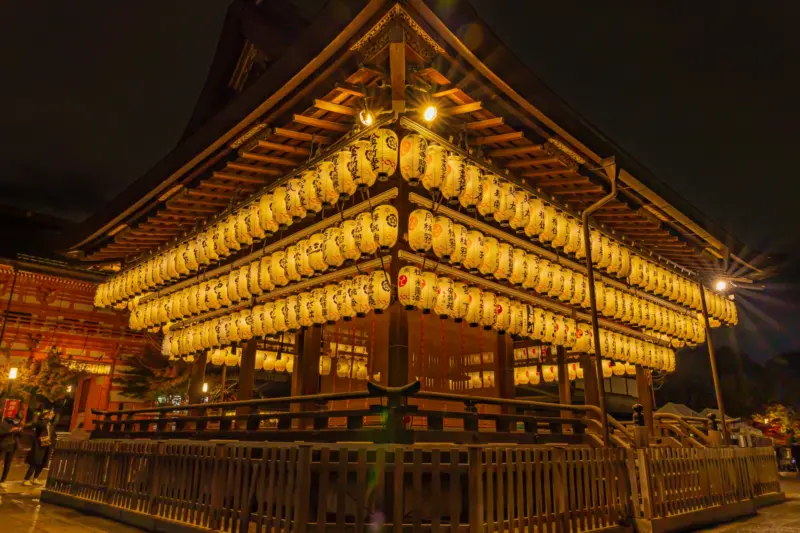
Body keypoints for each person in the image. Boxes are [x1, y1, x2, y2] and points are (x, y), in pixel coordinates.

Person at [22, 410, 55, 487]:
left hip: (47, 445)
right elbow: (42, 426)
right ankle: (26, 479)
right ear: (44, 415)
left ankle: (35, 478)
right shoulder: (40, 422)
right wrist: (48, 418)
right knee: (35, 462)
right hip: (38, 445)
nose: (50, 416)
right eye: (48, 414)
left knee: (42, 462)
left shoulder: (50, 424)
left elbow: (52, 433)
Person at [0, 414, 23, 489]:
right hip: (3, 446)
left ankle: (3, 480)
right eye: (16, 418)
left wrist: (19, 430)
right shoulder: (3, 424)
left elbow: (21, 435)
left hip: (12, 446)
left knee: (8, 464)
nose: (16, 420)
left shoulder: (17, 425)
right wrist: (10, 431)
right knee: (1, 462)